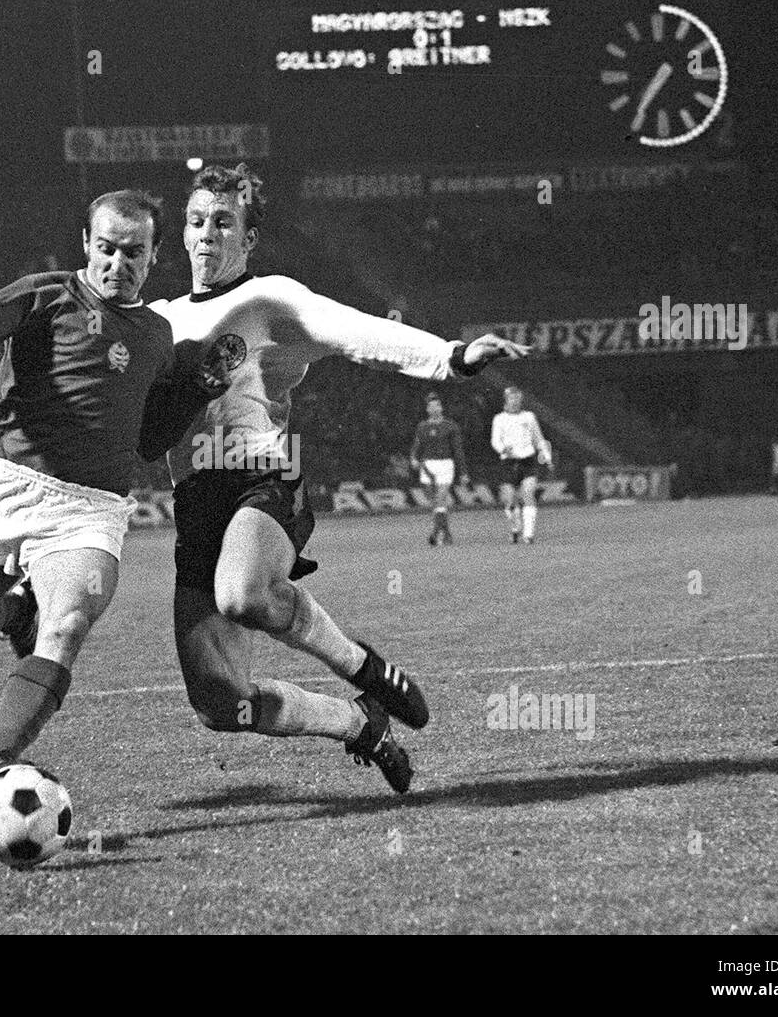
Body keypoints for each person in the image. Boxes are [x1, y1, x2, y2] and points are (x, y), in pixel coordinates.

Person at [149, 164, 529, 794]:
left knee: (241, 592)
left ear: (247, 240)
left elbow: (359, 333)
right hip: (196, 501)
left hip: (263, 478)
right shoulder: (155, 322)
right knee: (221, 704)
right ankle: (357, 725)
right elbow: (86, 376)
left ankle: (362, 666)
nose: (208, 235)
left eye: (224, 223)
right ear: (183, 236)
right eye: (196, 222)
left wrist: (450, 356)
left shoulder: (270, 300)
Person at [0, 189, 225, 815]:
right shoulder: (46, 294)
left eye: (133, 253)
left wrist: (193, 391)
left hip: (91, 506)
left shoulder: (158, 337)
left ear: (153, 257)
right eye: (106, 248)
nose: (117, 263)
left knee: (70, 620)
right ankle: (14, 615)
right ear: (86, 244)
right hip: (8, 483)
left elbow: (150, 438)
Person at [490, 386, 552, 544]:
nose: (515, 401)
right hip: (508, 462)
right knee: (509, 500)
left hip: (527, 461)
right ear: (506, 400)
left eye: (518, 398)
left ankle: (528, 535)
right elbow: (495, 440)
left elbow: (538, 438)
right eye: (512, 398)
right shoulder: (499, 419)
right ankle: (515, 528)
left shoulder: (529, 417)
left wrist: (546, 455)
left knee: (528, 494)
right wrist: (503, 449)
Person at [410, 392, 467, 546]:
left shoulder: (450, 426)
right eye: (431, 406)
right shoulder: (422, 426)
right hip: (428, 466)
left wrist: (463, 472)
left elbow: (458, 450)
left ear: (441, 408)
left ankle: (435, 533)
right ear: (427, 409)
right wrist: (414, 458)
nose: (435, 408)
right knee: (435, 502)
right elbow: (417, 445)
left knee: (440, 498)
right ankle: (446, 532)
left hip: (445, 465)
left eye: (437, 405)